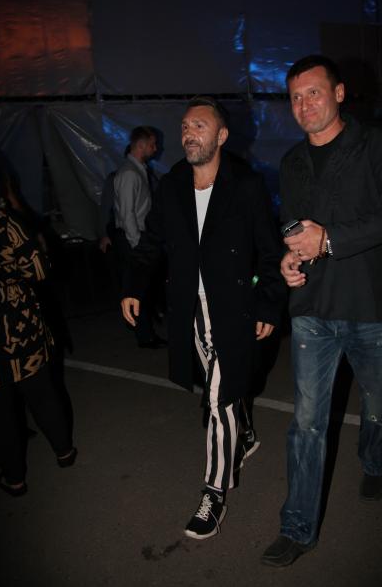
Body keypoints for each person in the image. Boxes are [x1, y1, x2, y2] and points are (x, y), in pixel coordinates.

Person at [261, 54, 382, 567]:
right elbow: (292, 226)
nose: (304, 105)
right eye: (295, 97)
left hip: (372, 306)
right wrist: (288, 258)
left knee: (377, 405)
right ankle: (297, 528)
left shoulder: (380, 146)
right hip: (313, 307)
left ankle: (374, 458)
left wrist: (330, 240)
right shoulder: (291, 163)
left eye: (314, 93)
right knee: (307, 421)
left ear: (340, 93)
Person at [121, 96, 285, 540]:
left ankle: (214, 493)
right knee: (218, 385)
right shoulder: (173, 182)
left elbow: (269, 251)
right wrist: (134, 286)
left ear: (222, 135)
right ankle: (245, 437)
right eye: (184, 126)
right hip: (189, 309)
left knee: (217, 400)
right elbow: (152, 240)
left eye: (199, 125)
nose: (189, 133)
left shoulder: (245, 185)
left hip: (233, 308)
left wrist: (268, 304)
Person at [0, 153, 77, 497]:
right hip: (18, 321)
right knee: (40, 392)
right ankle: (64, 451)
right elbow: (39, 270)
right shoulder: (6, 223)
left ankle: (15, 478)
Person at [113, 126, 165, 348]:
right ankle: (144, 335)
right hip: (133, 239)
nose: (156, 149)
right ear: (141, 145)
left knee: (144, 285)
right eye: (152, 144)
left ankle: (146, 332)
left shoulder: (138, 170)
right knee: (137, 285)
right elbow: (127, 214)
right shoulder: (129, 173)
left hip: (139, 237)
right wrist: (137, 244)